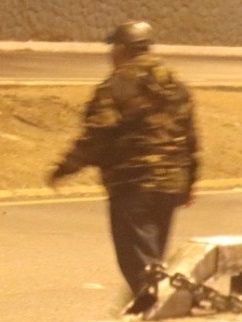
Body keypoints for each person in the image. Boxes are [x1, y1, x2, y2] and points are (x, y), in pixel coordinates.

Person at [47, 20, 198, 302]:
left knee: (136, 263)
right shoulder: (175, 82)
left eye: (113, 48)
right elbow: (190, 135)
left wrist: (64, 168)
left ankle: (162, 312)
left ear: (122, 48)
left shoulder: (116, 84)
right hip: (171, 184)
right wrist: (191, 181)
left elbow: (97, 135)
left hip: (134, 184)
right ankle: (146, 314)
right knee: (152, 260)